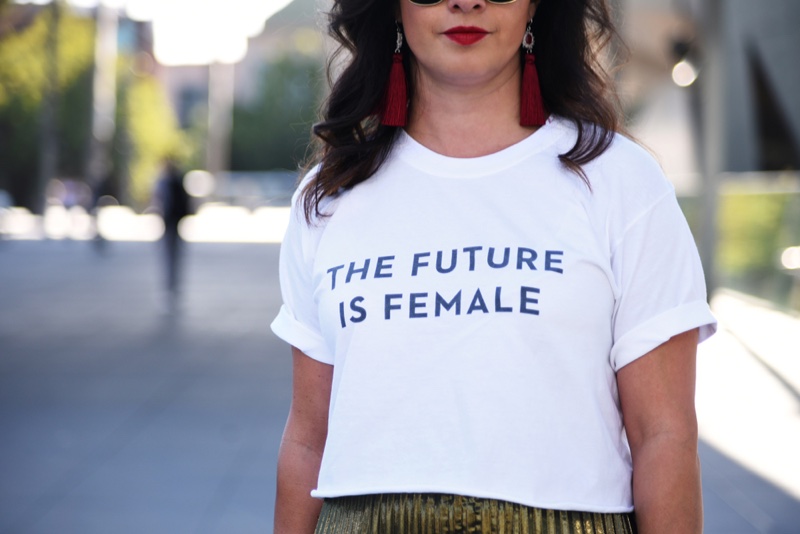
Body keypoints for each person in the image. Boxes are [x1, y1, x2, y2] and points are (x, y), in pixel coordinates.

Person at [271, 0, 717, 532]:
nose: (467, 2)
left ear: (535, 8)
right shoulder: (329, 198)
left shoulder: (620, 182)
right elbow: (306, 439)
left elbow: (663, 435)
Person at [154, 160, 191, 311]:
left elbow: (161, 203)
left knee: (169, 256)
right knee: (174, 256)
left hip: (170, 224)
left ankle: (170, 286)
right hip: (175, 224)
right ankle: (173, 286)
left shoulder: (166, 182)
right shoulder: (178, 181)